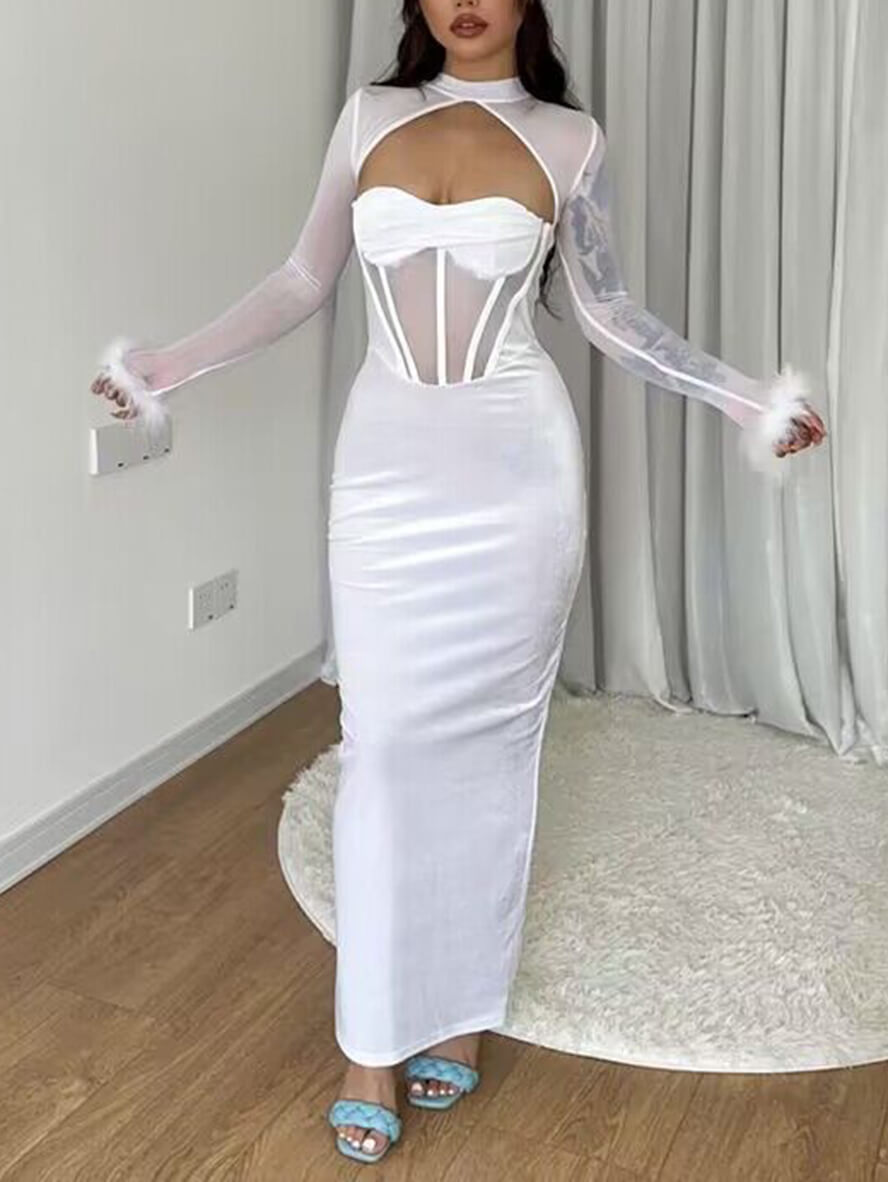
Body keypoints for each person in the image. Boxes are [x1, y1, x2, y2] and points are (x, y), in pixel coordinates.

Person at [91, 0, 826, 1165]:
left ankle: (462, 1008)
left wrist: (752, 403)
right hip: (387, 469)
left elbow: (610, 315)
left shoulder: (569, 139)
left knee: (491, 746)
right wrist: (161, 370)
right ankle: (370, 1044)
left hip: (518, 470)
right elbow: (301, 278)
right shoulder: (371, 116)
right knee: (382, 747)